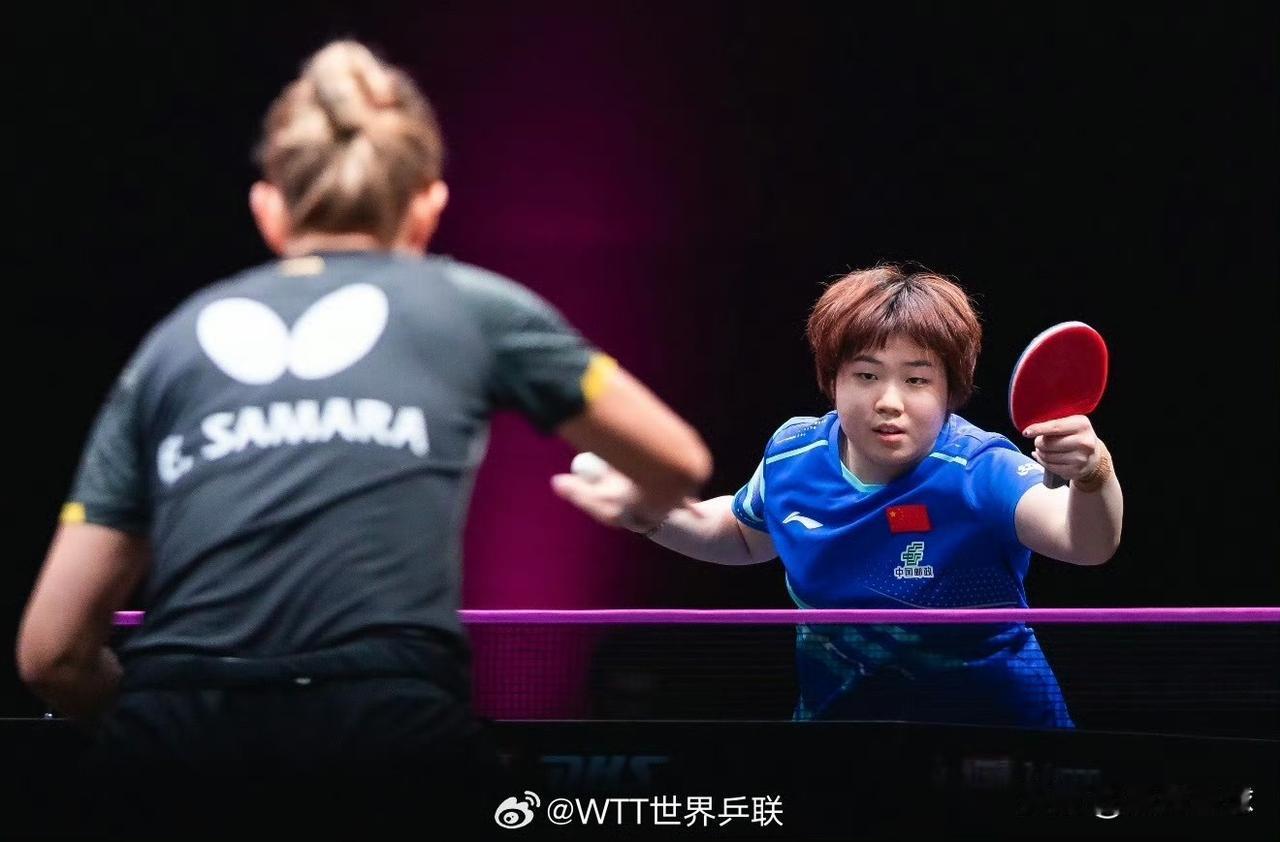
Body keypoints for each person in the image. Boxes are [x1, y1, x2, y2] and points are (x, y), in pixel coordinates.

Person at [16, 40, 711, 837]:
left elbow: (50, 655)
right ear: (427, 205)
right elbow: (680, 461)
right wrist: (637, 497)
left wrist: (163, 732)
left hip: (174, 740)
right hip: (390, 736)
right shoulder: (475, 308)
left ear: (269, 209)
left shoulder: (171, 346)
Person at [552, 264, 1122, 729]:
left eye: (917, 379)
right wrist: (647, 512)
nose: (889, 401)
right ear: (833, 380)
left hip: (998, 738)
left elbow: (1084, 543)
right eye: (866, 375)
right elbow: (740, 536)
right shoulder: (794, 454)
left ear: (951, 391)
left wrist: (1094, 472)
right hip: (841, 739)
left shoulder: (979, 468)